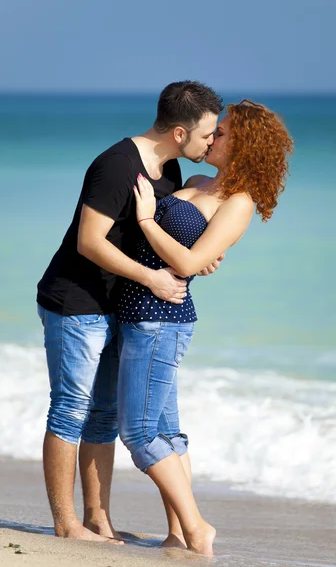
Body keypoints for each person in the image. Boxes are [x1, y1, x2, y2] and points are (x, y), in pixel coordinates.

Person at [36, 81, 224, 542]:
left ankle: (97, 519)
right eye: (207, 134)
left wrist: (199, 255)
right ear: (180, 132)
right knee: (70, 409)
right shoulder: (117, 165)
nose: (211, 142)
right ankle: (66, 523)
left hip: (120, 305)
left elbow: (155, 237)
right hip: (75, 301)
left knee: (102, 415)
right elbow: (89, 241)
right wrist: (151, 278)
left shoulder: (170, 170)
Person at [117, 99, 294, 557]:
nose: (214, 136)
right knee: (167, 431)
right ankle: (177, 533)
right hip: (139, 312)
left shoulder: (238, 203)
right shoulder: (194, 181)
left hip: (162, 320)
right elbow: (194, 252)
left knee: (138, 435)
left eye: (225, 132)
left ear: (245, 145)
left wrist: (144, 219)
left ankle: (197, 528)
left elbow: (190, 261)